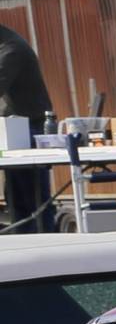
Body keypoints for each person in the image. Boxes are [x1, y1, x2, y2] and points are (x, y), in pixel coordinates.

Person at [0, 20, 58, 234]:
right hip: (14, 127)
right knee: (16, 197)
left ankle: (46, 246)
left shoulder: (11, 50)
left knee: (33, 199)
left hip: (30, 128)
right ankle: (25, 244)